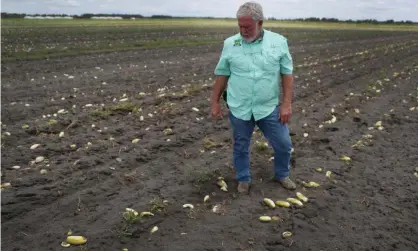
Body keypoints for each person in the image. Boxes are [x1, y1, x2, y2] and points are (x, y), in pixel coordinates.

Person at [210, 1, 296, 194]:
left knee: (283, 144)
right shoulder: (231, 44)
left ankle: (282, 174)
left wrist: (286, 103)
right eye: (240, 26)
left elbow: (287, 74)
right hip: (239, 107)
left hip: (268, 107)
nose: (243, 30)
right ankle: (243, 178)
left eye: (247, 27)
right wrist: (214, 102)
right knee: (241, 145)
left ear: (260, 23)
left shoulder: (279, 42)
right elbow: (222, 74)